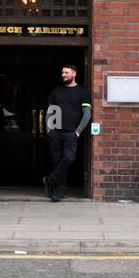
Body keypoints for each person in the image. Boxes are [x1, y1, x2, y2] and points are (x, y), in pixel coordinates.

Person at [43, 64, 92, 201]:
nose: (63, 75)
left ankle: (50, 180)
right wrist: (49, 129)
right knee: (58, 161)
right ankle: (59, 191)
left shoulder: (82, 92)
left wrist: (78, 131)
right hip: (56, 132)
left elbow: (87, 114)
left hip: (71, 133)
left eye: (66, 72)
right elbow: (49, 111)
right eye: (63, 72)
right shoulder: (56, 91)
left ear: (74, 74)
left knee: (69, 158)